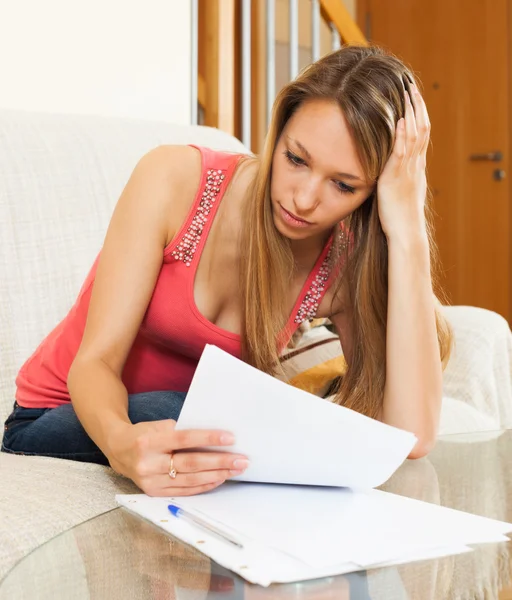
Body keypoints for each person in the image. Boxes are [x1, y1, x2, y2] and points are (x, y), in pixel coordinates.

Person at [1, 45, 452, 497]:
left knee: (230, 424)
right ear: (277, 135)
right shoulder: (174, 179)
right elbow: (95, 362)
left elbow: (411, 435)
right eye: (296, 159)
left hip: (192, 432)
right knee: (208, 417)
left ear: (371, 195)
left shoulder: (342, 260)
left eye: (343, 185)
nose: (305, 198)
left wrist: (408, 229)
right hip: (60, 416)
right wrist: (123, 445)